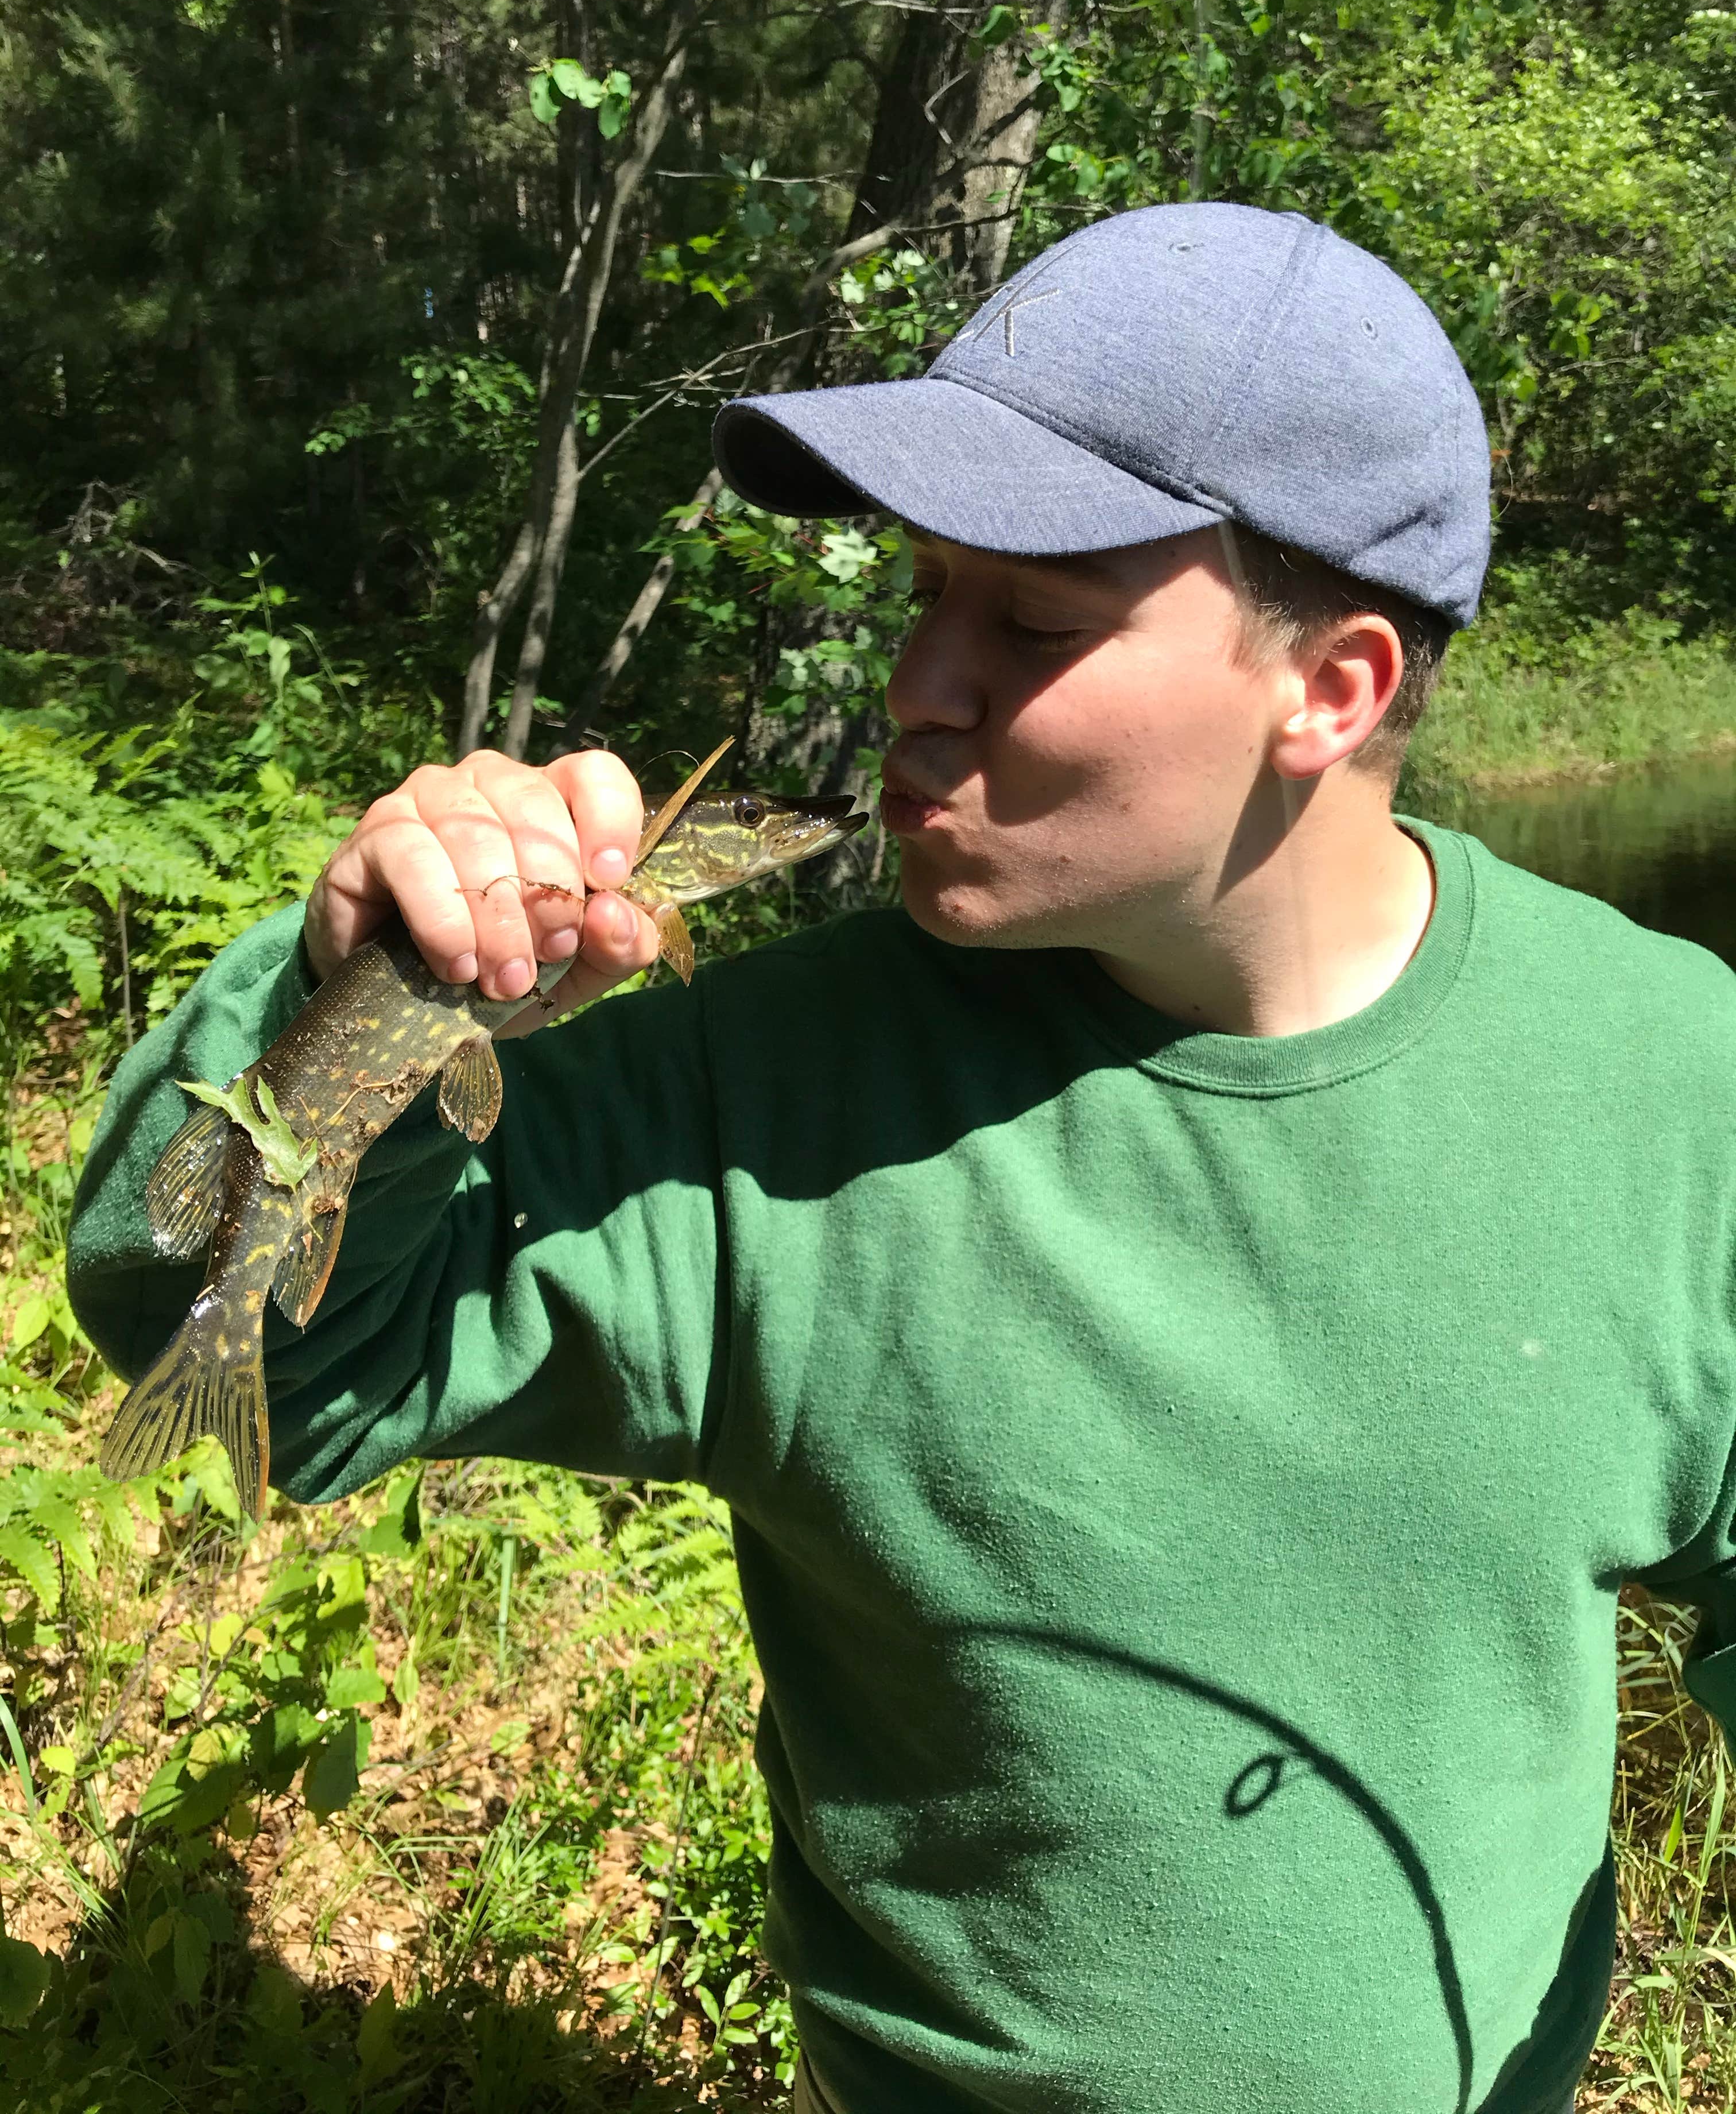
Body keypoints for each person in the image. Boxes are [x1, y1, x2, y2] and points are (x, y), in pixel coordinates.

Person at [68, 202, 1736, 2114]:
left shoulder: (1677, 1083)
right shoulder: (768, 1095)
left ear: (1335, 689)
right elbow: (237, 1339)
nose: (918, 685)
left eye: (1029, 624)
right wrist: (348, 994)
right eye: (924, 595)